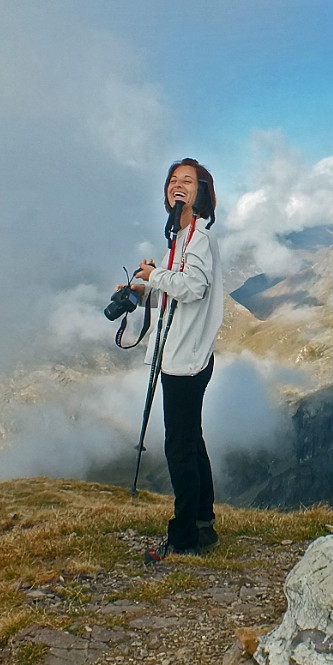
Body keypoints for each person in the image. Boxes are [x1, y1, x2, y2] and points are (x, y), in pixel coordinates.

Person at [125, 157, 225, 556]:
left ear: (202, 192)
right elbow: (173, 288)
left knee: (179, 447)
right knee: (191, 441)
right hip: (183, 354)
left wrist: (155, 277)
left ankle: (184, 536)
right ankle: (203, 523)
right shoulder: (178, 237)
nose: (178, 185)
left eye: (188, 180)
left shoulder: (198, 237)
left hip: (186, 358)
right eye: (172, 180)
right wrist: (141, 287)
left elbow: (194, 286)